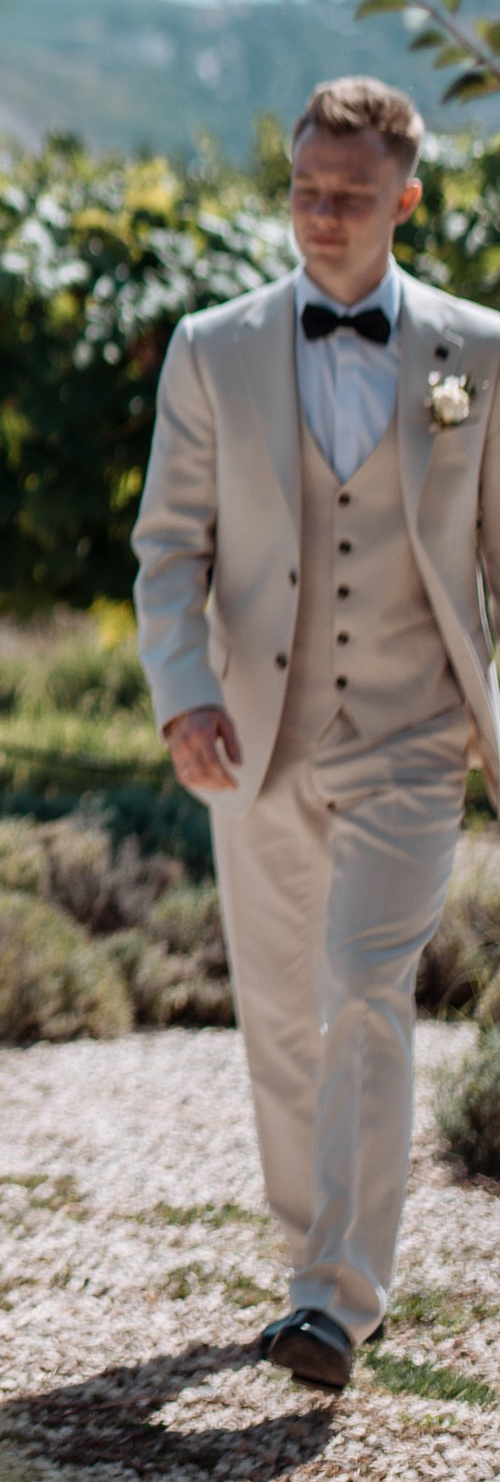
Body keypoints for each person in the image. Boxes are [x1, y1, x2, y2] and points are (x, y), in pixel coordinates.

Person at [133, 75, 500, 1390]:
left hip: (415, 735)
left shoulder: (482, 353)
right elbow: (169, 550)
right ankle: (311, 1263)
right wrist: (184, 691)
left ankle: (340, 1296)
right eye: (304, 189)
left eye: (350, 195)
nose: (322, 215)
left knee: (365, 988)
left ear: (406, 199)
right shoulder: (210, 348)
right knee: (286, 1015)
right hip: (255, 732)